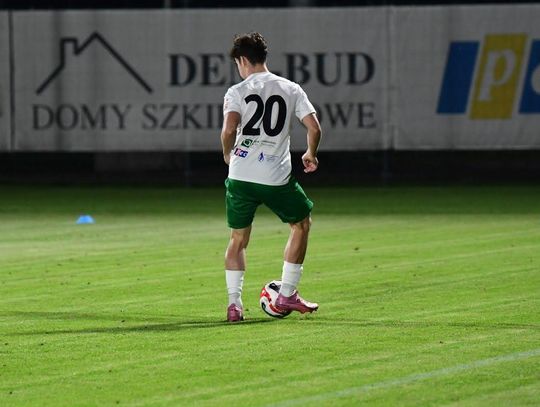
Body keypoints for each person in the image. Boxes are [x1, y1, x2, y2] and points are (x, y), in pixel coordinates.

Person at [221, 32, 322, 322]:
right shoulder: (290, 88)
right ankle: (287, 292)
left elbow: (229, 130)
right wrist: (311, 153)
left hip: (241, 175)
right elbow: (314, 128)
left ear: (242, 60)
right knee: (301, 224)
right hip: (275, 176)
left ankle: (234, 305)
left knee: (238, 239)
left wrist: (228, 155)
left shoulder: (236, 91)